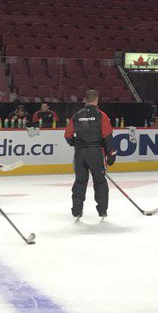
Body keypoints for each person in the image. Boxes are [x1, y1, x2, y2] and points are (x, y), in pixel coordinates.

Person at [64, 89, 115, 222]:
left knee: (80, 181)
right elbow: (108, 136)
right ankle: (102, 210)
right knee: (100, 181)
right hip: (96, 152)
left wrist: (76, 144)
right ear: (97, 99)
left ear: (85, 99)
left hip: (80, 153)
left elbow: (67, 135)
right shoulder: (101, 115)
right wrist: (111, 154)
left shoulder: (76, 115)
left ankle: (76, 211)